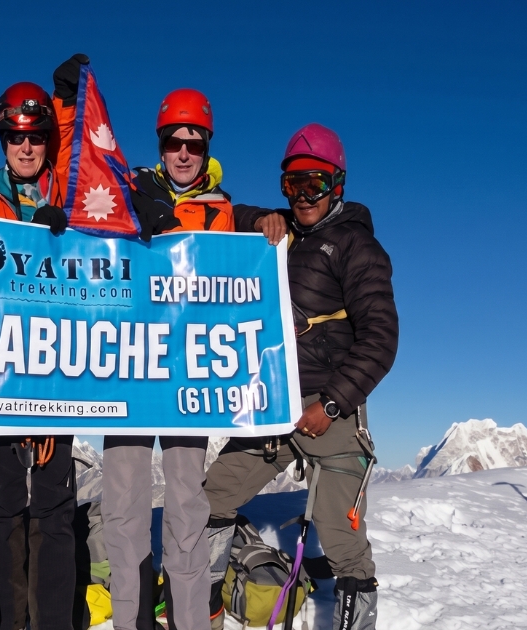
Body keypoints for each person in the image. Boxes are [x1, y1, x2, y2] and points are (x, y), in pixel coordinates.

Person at [87, 84, 284, 630]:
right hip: (125, 378)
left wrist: (271, 221)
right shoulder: (127, 195)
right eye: (173, 141)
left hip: (186, 385)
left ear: (207, 148)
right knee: (123, 515)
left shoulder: (225, 214)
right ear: (160, 144)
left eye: (193, 144)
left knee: (186, 516)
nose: (182, 153)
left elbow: (254, 251)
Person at [203, 123, 399, 630]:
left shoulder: (357, 247)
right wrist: (263, 216)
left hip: (328, 408)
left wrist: (331, 403)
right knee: (212, 498)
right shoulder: (283, 231)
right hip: (273, 404)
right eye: (292, 185)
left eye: (314, 183)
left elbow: (381, 340)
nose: (303, 196)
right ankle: (202, 606)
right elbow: (228, 211)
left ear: (337, 184)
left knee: (343, 541)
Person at [0, 81, 77, 630]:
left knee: (53, 504)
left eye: (35, 137)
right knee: (4, 500)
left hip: (60, 373)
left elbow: (84, 150)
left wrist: (64, 231)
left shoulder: (74, 195)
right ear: (3, 139)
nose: (26, 148)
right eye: (15, 137)